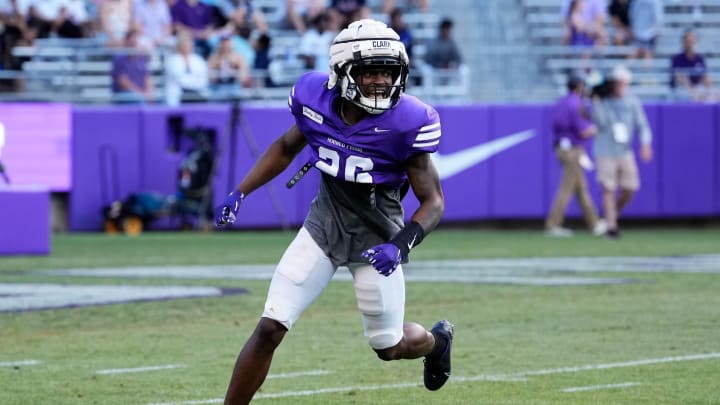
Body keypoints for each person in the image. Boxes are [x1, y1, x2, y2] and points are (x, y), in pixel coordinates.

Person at [214, 19, 454, 405]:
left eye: (387, 72)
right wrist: (239, 192)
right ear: (342, 72)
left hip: (377, 241)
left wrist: (402, 243)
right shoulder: (314, 97)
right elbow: (286, 146)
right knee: (270, 328)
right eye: (369, 72)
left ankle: (437, 342)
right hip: (322, 230)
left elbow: (434, 200)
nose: (379, 82)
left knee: (388, 346)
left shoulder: (408, 121)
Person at [591, 65, 653, 239]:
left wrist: (645, 144)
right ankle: (612, 226)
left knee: (630, 187)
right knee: (608, 188)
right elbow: (601, 123)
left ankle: (611, 216)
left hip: (624, 151)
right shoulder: (603, 101)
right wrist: (595, 101)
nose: (619, 87)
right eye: (616, 83)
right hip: (605, 150)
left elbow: (642, 125)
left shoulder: (632, 101)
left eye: (621, 83)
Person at [545, 73, 607, 238]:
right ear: (579, 86)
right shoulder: (576, 104)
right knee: (567, 188)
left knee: (581, 189)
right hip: (573, 151)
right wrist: (600, 127)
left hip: (562, 148)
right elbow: (585, 131)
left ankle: (594, 223)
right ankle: (553, 224)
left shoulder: (562, 103)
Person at [670, 28, 715, 102]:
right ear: (683, 41)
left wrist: (708, 85)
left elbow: (704, 76)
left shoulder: (700, 58)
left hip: (697, 88)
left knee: (712, 96)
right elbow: (680, 78)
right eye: (688, 40)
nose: (691, 43)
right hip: (681, 89)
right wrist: (693, 90)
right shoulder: (676, 58)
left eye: (693, 40)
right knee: (693, 96)